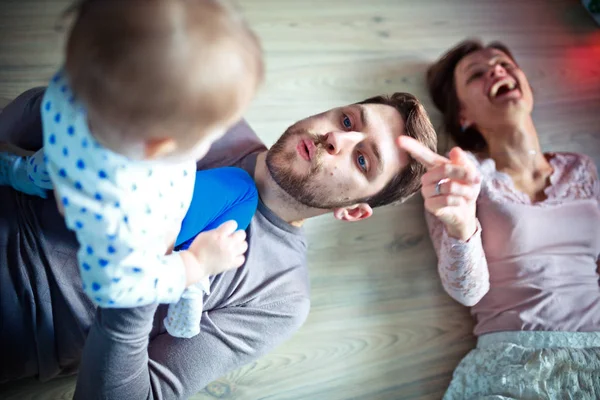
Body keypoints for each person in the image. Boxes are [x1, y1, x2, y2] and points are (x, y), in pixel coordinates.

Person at [0, 88, 437, 398]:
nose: (337, 138)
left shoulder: (280, 297)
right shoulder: (213, 113)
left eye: (362, 159)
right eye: (347, 120)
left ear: (353, 210)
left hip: (21, 314)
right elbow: (43, 108)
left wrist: (146, 277)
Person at [0, 0, 264, 340]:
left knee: (45, 168)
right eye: (214, 132)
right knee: (242, 193)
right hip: (137, 225)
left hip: (67, 158)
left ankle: (17, 172)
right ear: (158, 147)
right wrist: (194, 265)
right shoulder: (128, 213)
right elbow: (117, 288)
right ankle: (194, 284)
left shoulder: (76, 88)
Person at [399, 39, 600, 399]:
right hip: (518, 362)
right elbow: (466, 291)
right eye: (478, 73)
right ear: (463, 115)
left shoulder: (580, 166)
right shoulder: (460, 174)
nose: (497, 70)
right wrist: (460, 226)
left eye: (505, 63)